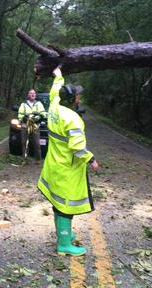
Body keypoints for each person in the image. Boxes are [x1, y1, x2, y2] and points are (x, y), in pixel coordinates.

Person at [38, 67, 99, 256]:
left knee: (57, 202)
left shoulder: (54, 107)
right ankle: (64, 244)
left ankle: (63, 234)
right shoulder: (73, 119)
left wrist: (58, 75)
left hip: (54, 165)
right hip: (68, 169)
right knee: (66, 206)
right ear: (73, 99)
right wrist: (92, 160)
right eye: (77, 95)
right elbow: (77, 148)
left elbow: (54, 92)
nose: (79, 98)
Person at [18, 89, 46, 161]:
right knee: (24, 143)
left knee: (37, 143)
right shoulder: (23, 104)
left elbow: (43, 114)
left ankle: (38, 159)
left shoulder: (39, 104)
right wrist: (24, 118)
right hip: (25, 126)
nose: (33, 94)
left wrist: (36, 118)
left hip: (35, 126)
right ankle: (25, 159)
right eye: (31, 93)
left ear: (35, 95)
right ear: (28, 95)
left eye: (34, 93)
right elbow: (20, 115)